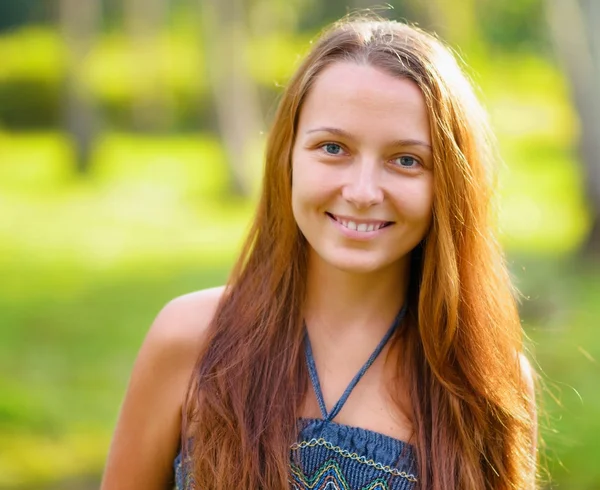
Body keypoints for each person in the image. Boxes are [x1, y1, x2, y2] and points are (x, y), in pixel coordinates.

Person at [100, 14, 538, 490]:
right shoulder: (188, 341)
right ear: (287, 156)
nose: (364, 191)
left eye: (406, 160)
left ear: (449, 184)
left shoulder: (486, 382)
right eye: (333, 148)